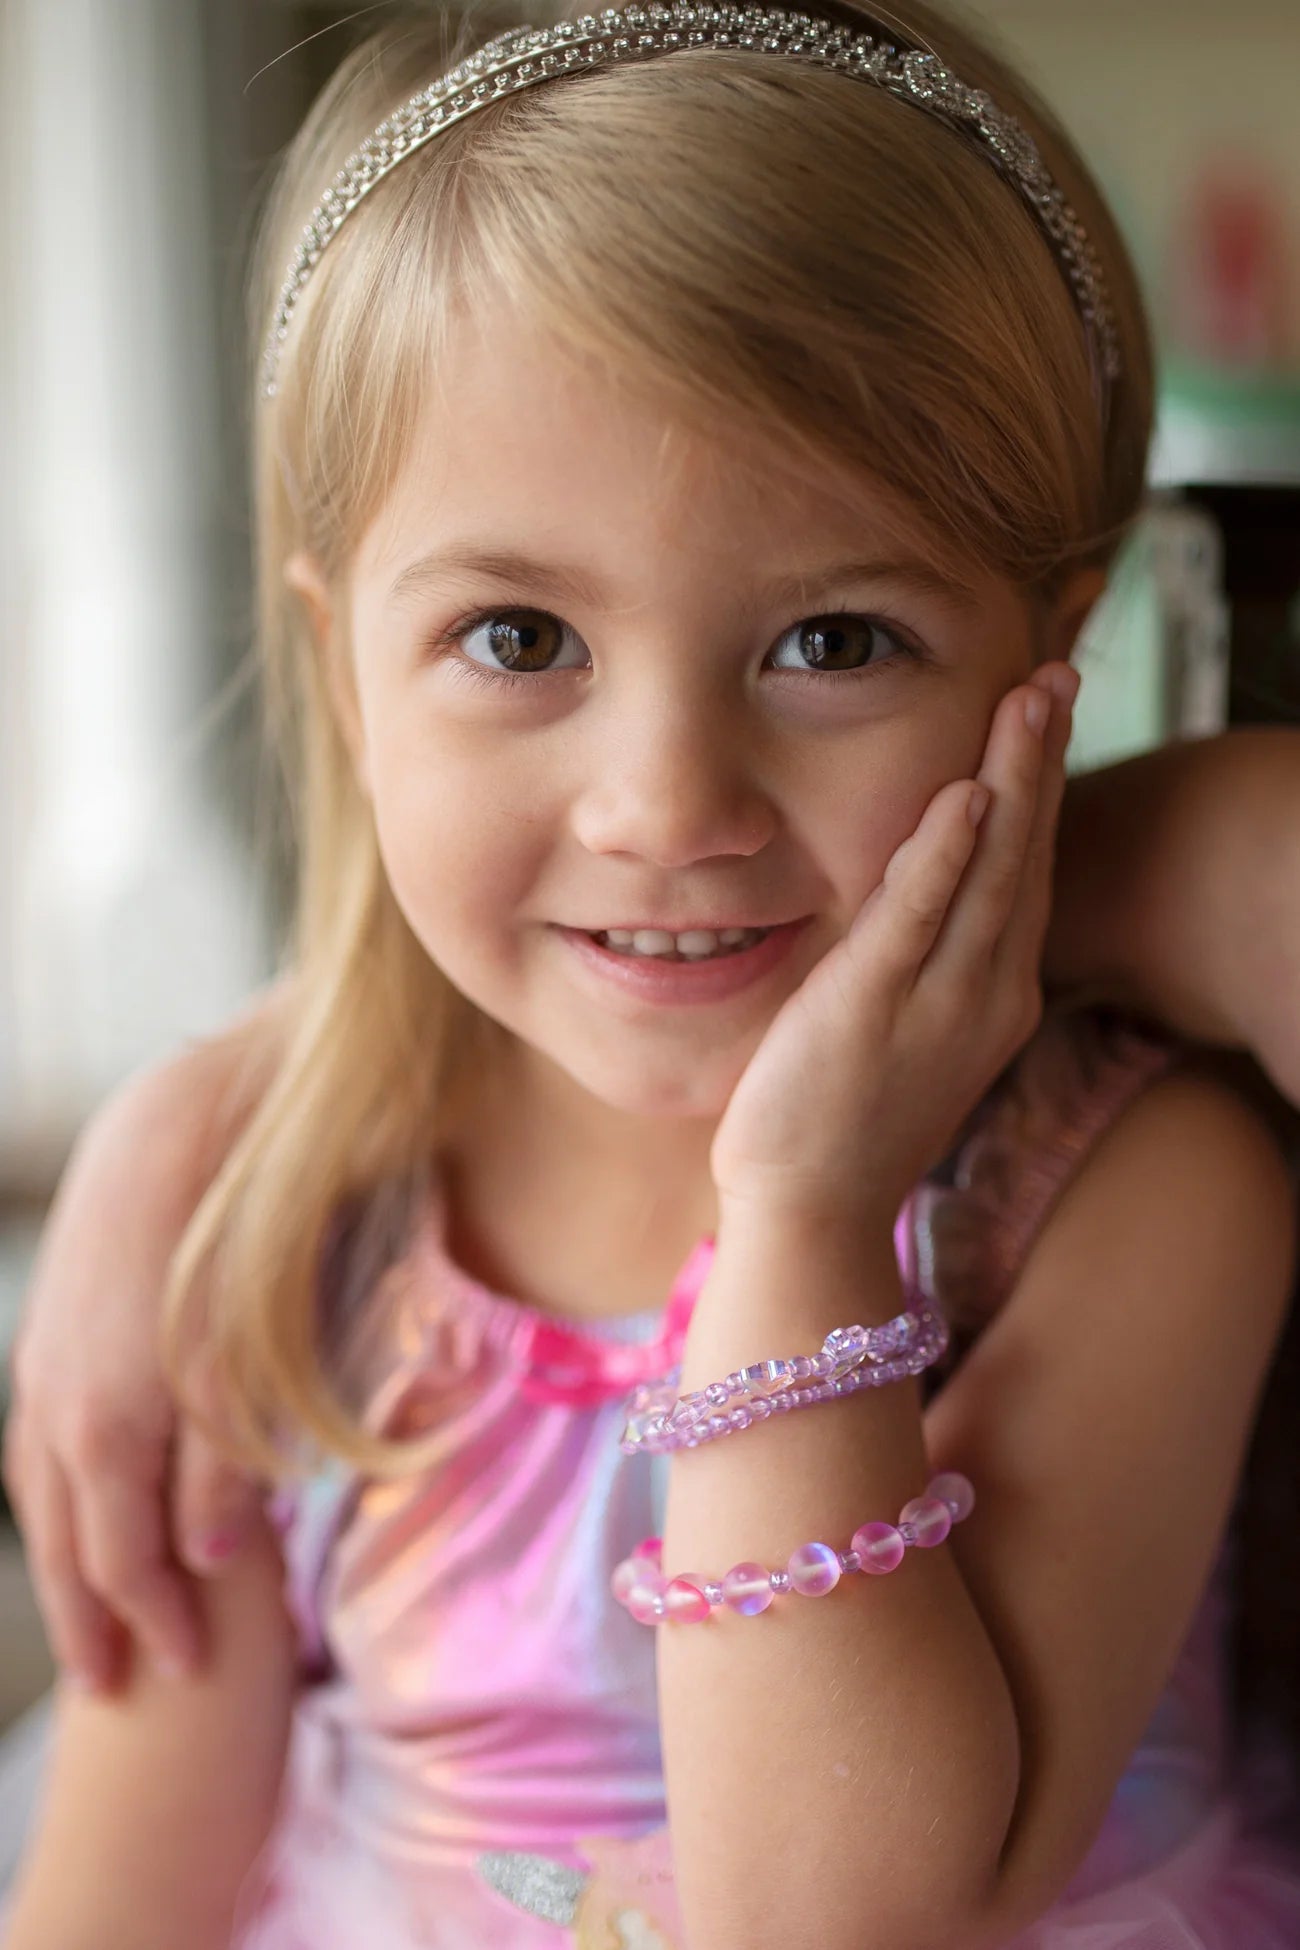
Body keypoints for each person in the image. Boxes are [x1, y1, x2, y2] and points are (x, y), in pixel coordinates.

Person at [4, 1, 1300, 1943]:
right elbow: (116, 1901)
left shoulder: (1125, 1189)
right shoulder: (288, 1223)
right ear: (344, 662)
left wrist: (800, 1215)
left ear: (1055, 650)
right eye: (518, 639)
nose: (667, 804)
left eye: (835, 641)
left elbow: (845, 1911)